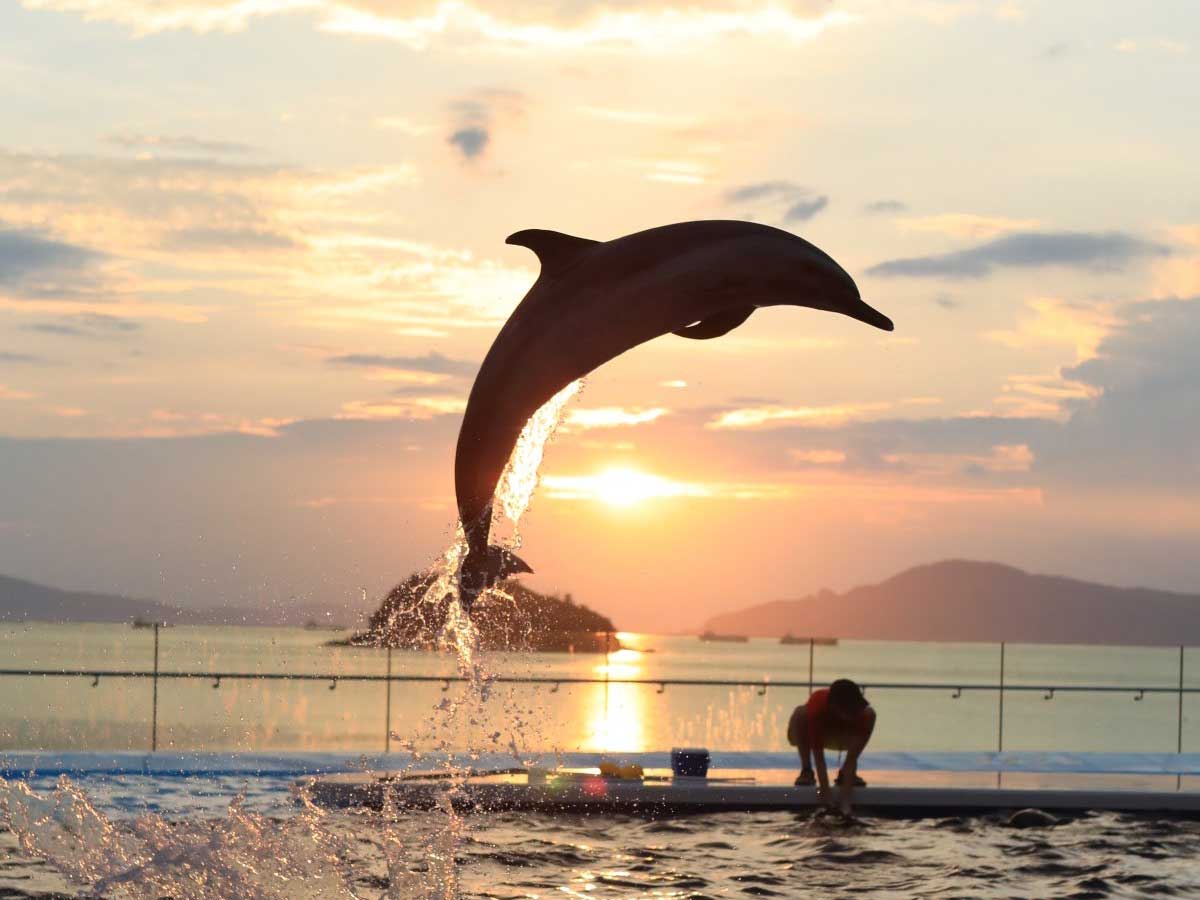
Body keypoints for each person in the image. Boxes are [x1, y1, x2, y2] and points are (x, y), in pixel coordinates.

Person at [787, 678, 876, 814]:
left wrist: (845, 804)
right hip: (816, 734)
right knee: (801, 714)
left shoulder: (864, 714)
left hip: (843, 737)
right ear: (836, 708)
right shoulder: (816, 709)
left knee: (870, 714)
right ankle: (806, 771)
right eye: (850, 711)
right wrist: (826, 797)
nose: (854, 713)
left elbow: (851, 759)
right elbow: (819, 758)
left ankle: (845, 775)